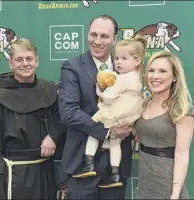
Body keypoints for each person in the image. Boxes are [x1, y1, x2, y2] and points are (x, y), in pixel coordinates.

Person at [0, 38, 66, 199]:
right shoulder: (0, 99)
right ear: (11, 63)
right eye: (19, 59)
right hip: (13, 175)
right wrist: (0, 174)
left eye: (29, 59)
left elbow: (63, 118)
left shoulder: (49, 90)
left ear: (36, 61)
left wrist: (53, 135)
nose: (25, 64)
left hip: (44, 171)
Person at [58, 15, 133, 199]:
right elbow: (68, 113)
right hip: (81, 165)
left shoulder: (127, 69)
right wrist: (109, 131)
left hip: (116, 167)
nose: (97, 41)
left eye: (104, 36)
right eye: (93, 34)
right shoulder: (72, 67)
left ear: (115, 39)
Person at [76, 37, 146, 188]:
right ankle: (115, 174)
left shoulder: (123, 78)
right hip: (129, 118)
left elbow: (110, 96)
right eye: (117, 58)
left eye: (124, 58)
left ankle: (88, 164)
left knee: (93, 131)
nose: (118, 62)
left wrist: (99, 93)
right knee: (115, 144)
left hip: (114, 113)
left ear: (137, 60)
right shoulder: (139, 77)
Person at [135, 51, 194, 199]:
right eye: (151, 70)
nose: (155, 76)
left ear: (174, 77)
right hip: (144, 179)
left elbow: (182, 154)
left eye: (162, 71)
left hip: (167, 182)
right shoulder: (143, 103)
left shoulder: (181, 109)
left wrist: (174, 195)